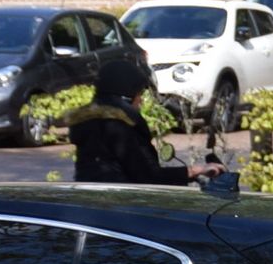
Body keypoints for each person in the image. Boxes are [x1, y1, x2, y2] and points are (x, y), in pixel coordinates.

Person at [64, 55, 214, 185]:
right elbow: (145, 177)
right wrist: (194, 170)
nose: (141, 101)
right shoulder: (116, 127)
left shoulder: (89, 125)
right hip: (121, 207)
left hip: (92, 204)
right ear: (126, 97)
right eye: (139, 94)